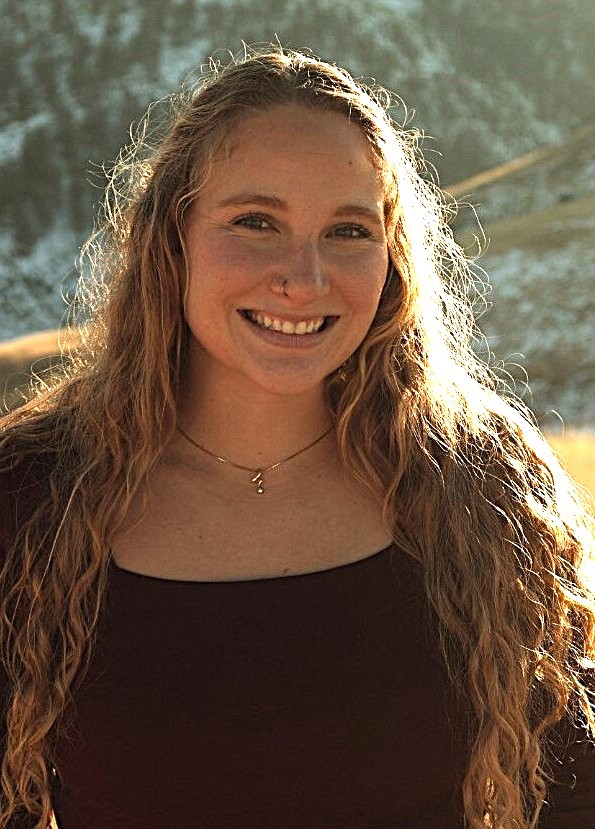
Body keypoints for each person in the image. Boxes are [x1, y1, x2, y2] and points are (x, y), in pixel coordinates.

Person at [0, 45, 594, 829]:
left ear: (393, 258)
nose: (305, 278)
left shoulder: (481, 484)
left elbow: (572, 794)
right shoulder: (31, 492)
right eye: (256, 221)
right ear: (169, 239)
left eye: (348, 230)